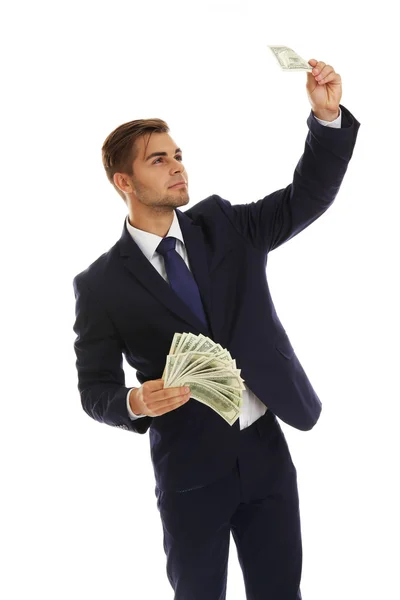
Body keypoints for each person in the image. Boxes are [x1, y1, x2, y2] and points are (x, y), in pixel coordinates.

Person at [72, 58, 360, 599]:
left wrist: (326, 119)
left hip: (266, 452)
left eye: (178, 155)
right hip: (189, 469)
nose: (178, 166)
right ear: (124, 181)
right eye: (159, 160)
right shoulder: (100, 285)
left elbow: (307, 198)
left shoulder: (226, 225)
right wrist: (135, 402)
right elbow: (95, 390)